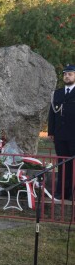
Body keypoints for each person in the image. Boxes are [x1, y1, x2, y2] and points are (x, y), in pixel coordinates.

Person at [48, 64, 75, 201]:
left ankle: (73, 194)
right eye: (65, 74)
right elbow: (52, 114)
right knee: (62, 164)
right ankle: (61, 193)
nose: (67, 76)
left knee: (74, 165)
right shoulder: (57, 93)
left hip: (74, 136)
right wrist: (51, 132)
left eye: (70, 74)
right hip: (60, 135)